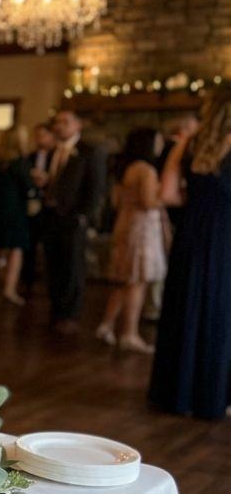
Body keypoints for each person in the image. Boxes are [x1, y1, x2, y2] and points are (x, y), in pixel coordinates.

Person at [150, 87, 231, 420]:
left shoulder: (189, 143)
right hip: (227, 238)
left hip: (192, 236)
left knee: (185, 308)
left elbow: (166, 194)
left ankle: (176, 395)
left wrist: (198, 205)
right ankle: (213, 397)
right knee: (222, 315)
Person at [37, 110, 107, 335]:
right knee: (54, 265)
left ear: (77, 125)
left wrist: (82, 216)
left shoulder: (88, 152)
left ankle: (70, 314)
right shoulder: (51, 153)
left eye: (65, 122)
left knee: (72, 267)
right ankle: (56, 310)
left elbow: (95, 188)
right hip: (51, 217)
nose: (60, 126)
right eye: (57, 122)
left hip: (73, 219)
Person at [96, 128, 166, 352]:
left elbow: (116, 201)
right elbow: (148, 201)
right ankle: (129, 333)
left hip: (125, 223)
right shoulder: (146, 170)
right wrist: (168, 197)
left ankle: (106, 325)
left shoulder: (125, 168)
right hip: (142, 228)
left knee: (124, 279)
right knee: (138, 280)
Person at [0, 125, 34, 305]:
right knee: (15, 250)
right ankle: (9, 289)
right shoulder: (20, 162)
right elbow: (28, 188)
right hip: (13, 212)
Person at [20, 122, 57, 294]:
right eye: (37, 135)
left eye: (43, 135)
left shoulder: (57, 156)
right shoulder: (29, 157)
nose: (39, 139)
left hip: (50, 206)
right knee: (29, 245)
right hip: (31, 205)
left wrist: (47, 180)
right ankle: (27, 281)